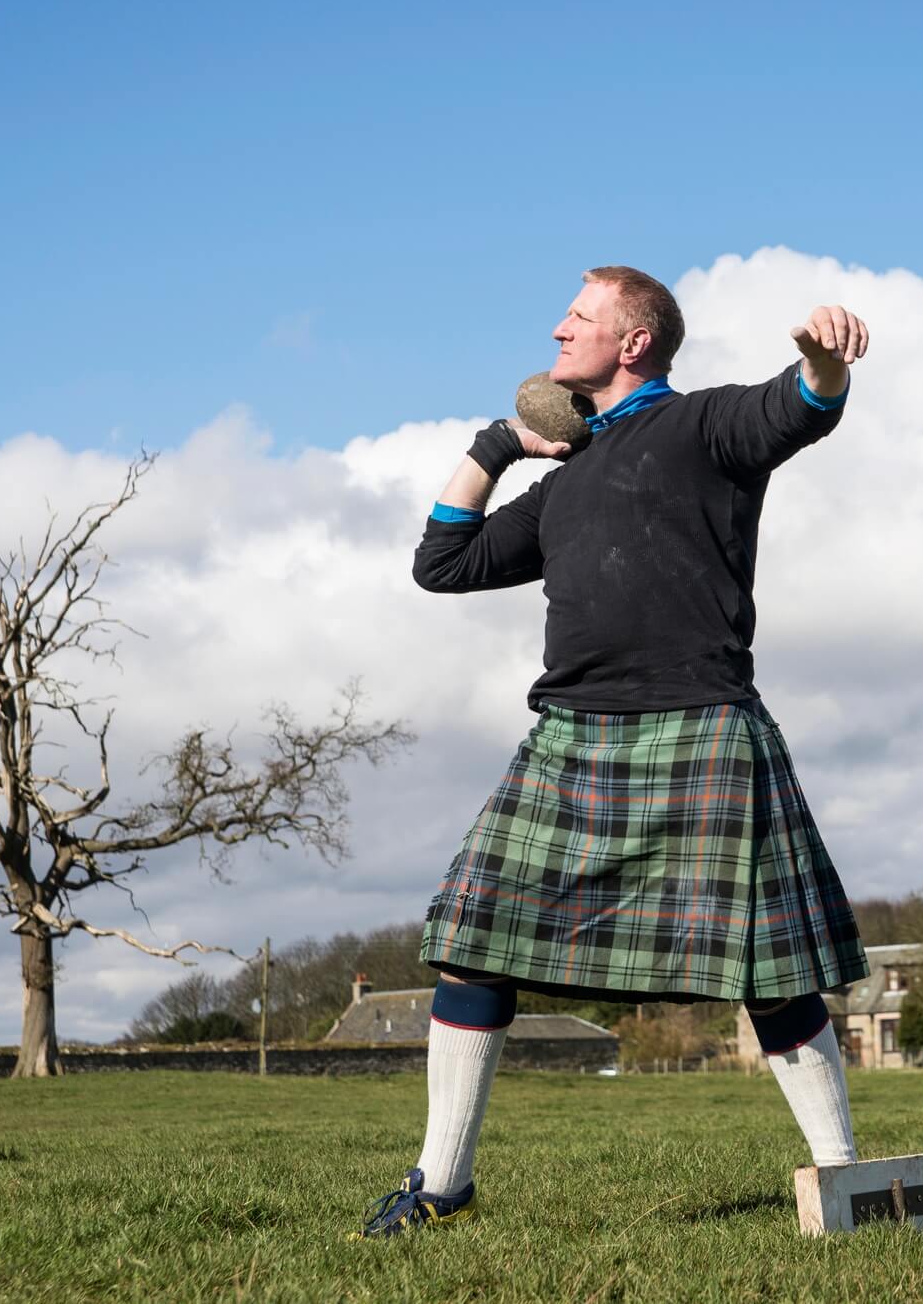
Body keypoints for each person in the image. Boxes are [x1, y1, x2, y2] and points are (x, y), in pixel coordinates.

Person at [357, 265, 872, 1237]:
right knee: (470, 943)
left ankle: (843, 1181)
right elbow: (443, 561)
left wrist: (820, 366)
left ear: (633, 341)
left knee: (772, 971)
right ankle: (440, 1184)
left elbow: (797, 409)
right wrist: (499, 444)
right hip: (572, 736)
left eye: (578, 317)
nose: (557, 329)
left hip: (704, 724)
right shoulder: (566, 481)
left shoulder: (705, 427)